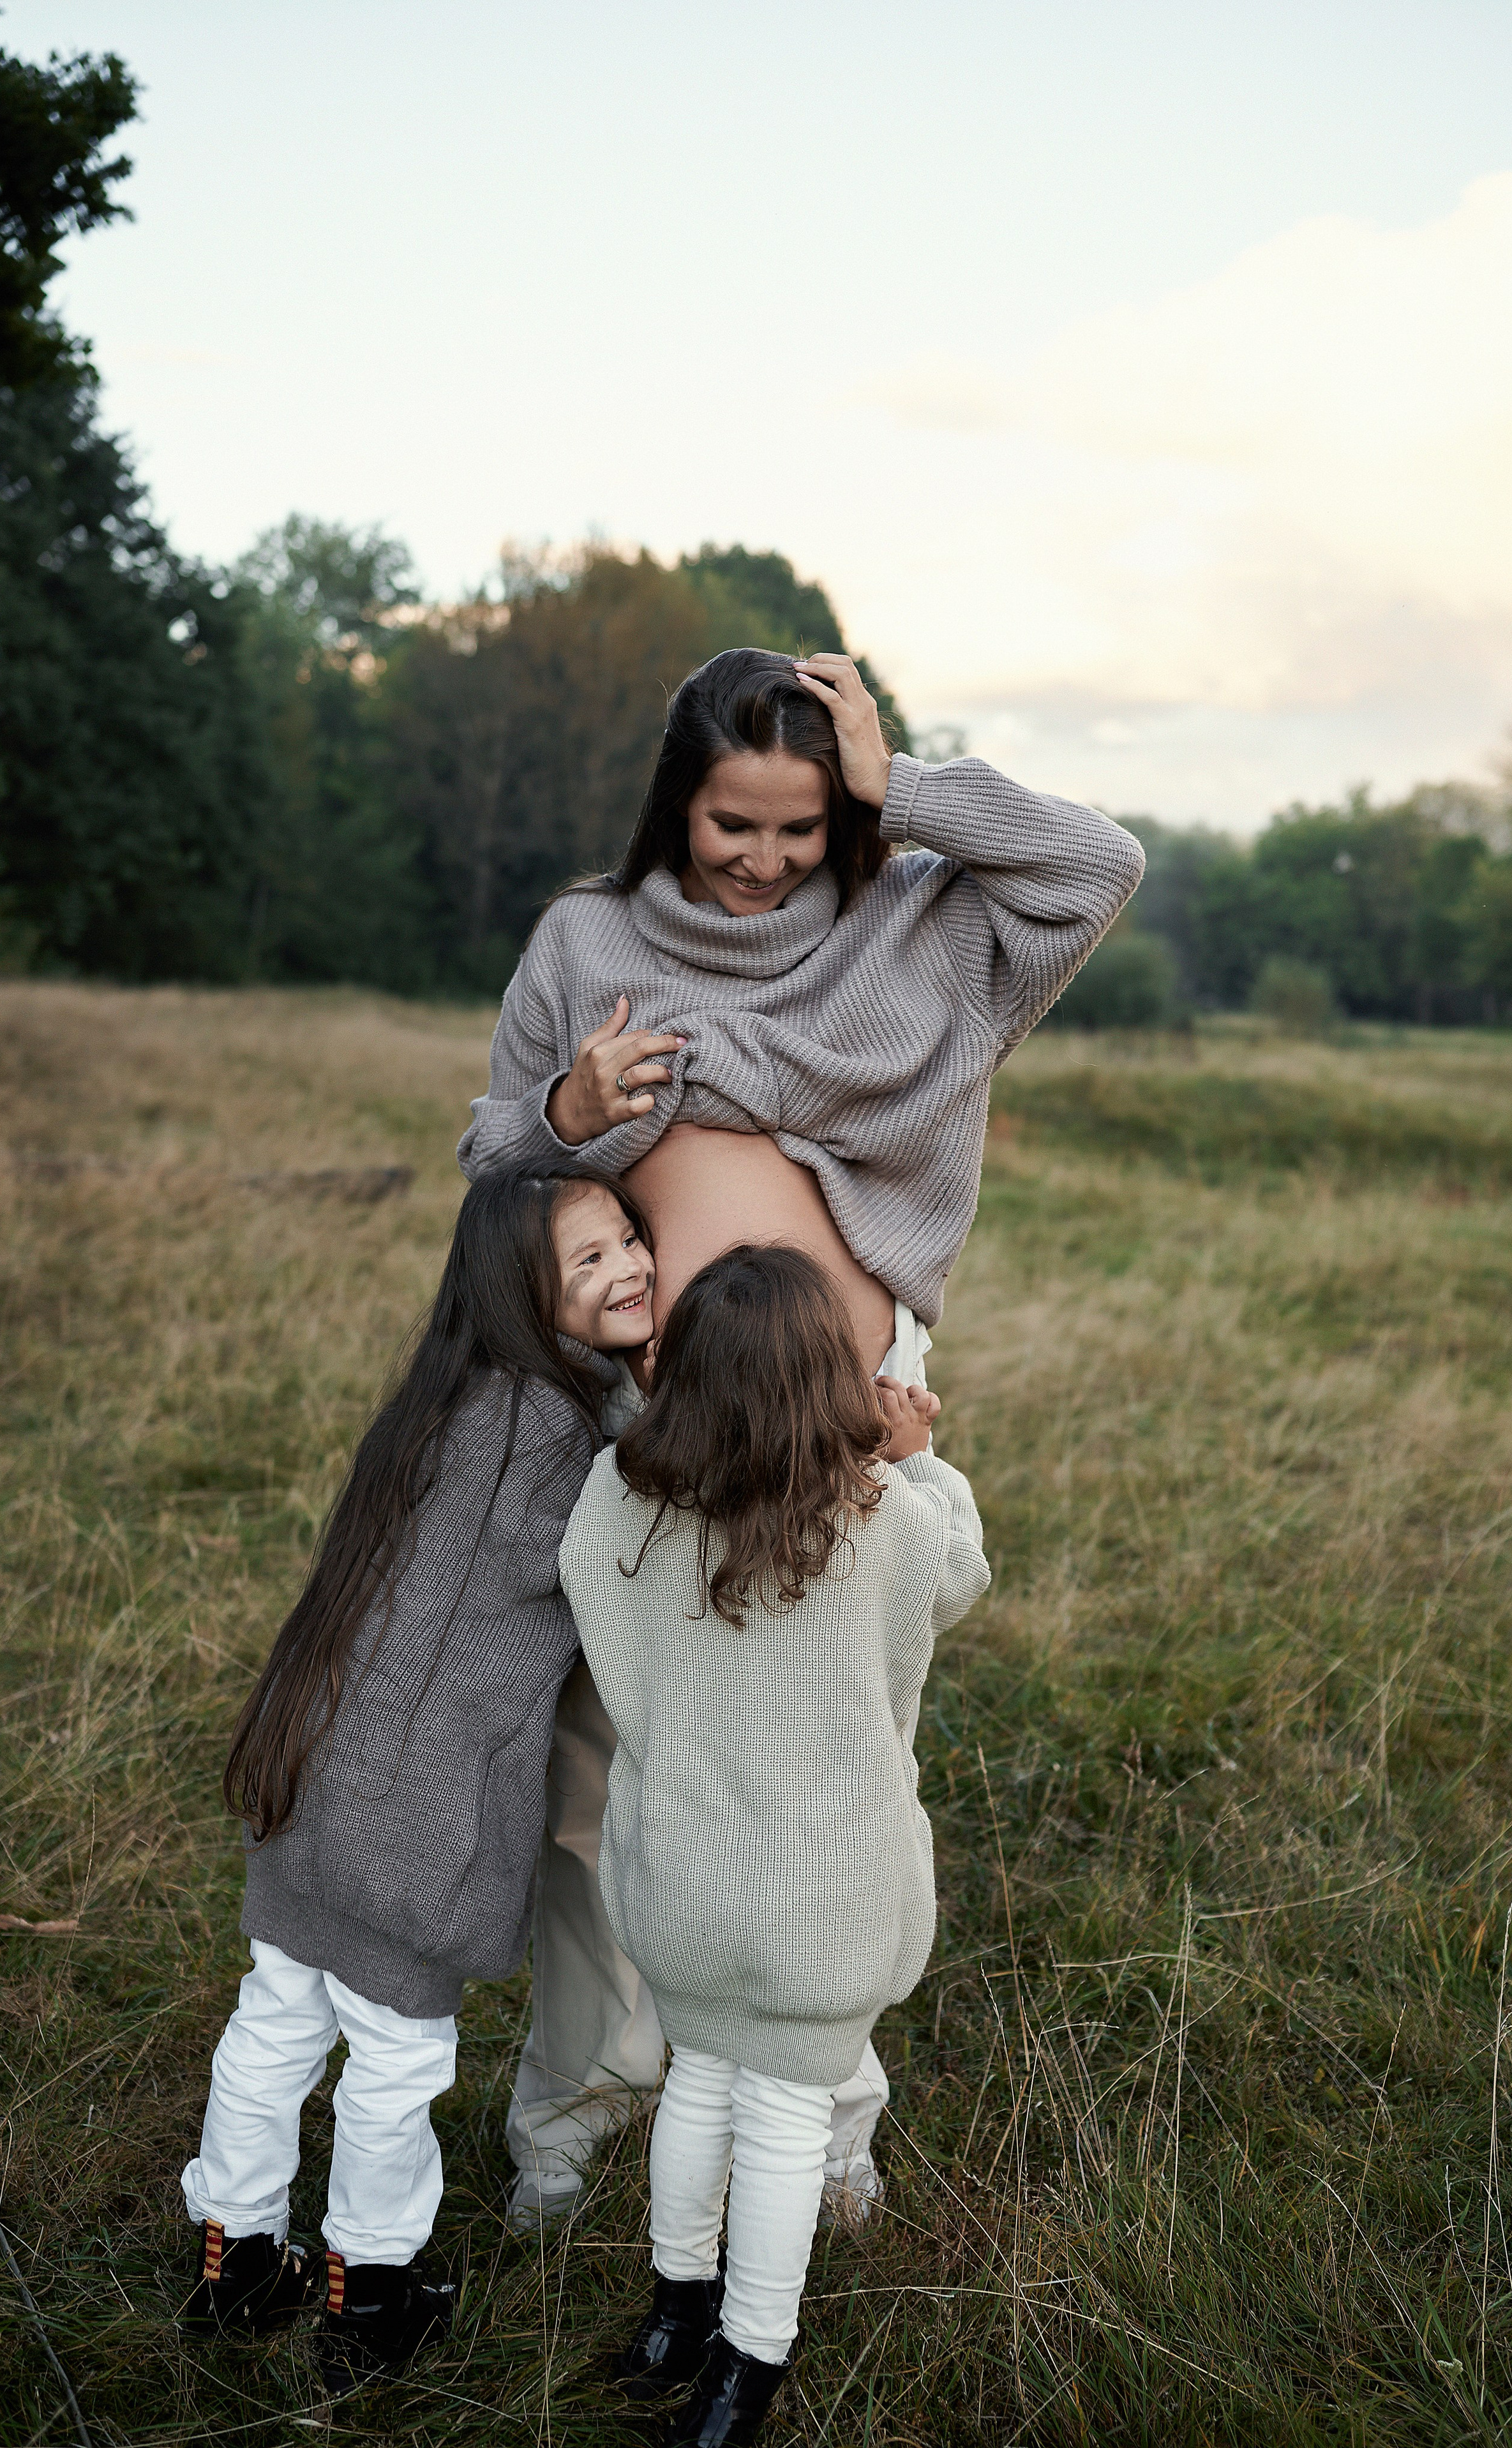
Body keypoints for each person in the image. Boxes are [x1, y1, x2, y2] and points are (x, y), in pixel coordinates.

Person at [458, 646, 1144, 2225]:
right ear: (672, 808)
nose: (765, 861)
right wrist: (570, 1120)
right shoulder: (588, 937)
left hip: (848, 1430)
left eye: (799, 824)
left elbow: (1096, 866)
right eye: (729, 826)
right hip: (643, 1417)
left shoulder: (917, 920)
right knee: (615, 1768)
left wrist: (903, 787)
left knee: (834, 1760)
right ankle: (580, 2109)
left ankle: (821, 2118)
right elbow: (495, 1160)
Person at [177, 1166, 654, 2393]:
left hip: (318, 1770)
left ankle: (233, 2257)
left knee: (274, 2021)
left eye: (629, 1240)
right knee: (394, 2060)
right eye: (588, 1262)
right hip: (423, 1813)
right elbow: (636, 1529)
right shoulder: (563, 1431)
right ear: (521, 1295)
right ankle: (370, 2287)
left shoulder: (446, 1399)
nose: (629, 1269)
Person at [560, 1247, 991, 2447]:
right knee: (789, 2121)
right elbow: (964, 1573)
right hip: (830, 1900)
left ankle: (670, 2318)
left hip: (687, 1880)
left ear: (682, 1372)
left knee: (697, 2081)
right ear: (830, 1380)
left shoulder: (622, 1498)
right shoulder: (882, 1517)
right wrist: (920, 1460)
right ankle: (745, 2376)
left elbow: (585, 1581)